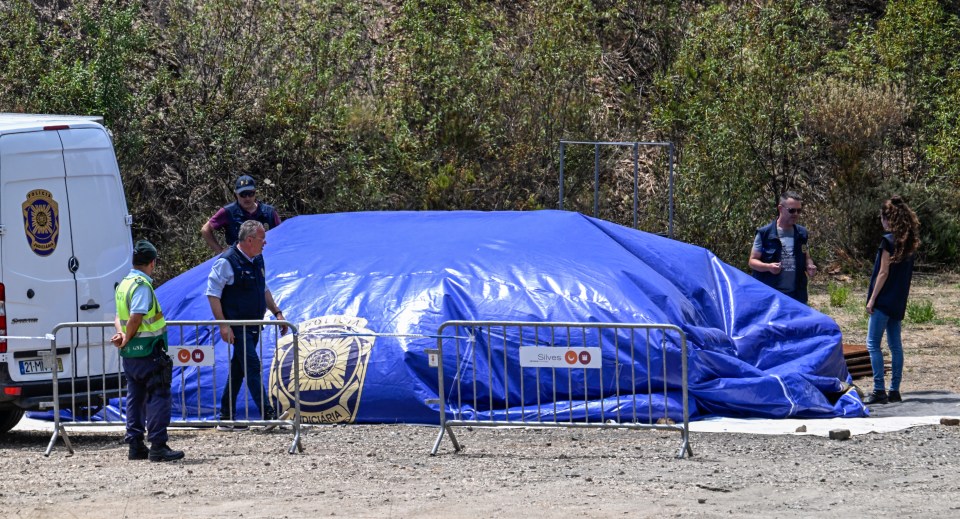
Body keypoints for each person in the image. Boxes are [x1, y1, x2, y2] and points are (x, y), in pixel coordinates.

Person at [206, 220, 287, 429]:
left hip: (253, 325)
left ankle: (226, 417)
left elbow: (263, 288)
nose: (265, 243)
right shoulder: (226, 261)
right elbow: (213, 294)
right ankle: (268, 415)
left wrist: (277, 312)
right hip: (237, 327)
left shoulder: (258, 259)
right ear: (249, 240)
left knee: (238, 370)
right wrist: (223, 325)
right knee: (252, 366)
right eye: (262, 239)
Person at [111, 240, 185, 462]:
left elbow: (118, 317)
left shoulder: (124, 284)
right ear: (152, 262)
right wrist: (129, 335)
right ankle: (158, 446)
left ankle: (135, 445)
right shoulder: (142, 285)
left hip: (131, 354)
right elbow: (136, 316)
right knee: (158, 396)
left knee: (135, 397)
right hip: (149, 351)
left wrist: (123, 337)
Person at [863, 196, 921, 405]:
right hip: (898, 300)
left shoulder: (888, 241)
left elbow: (883, 272)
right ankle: (895, 389)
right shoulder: (909, 243)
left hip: (884, 300)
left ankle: (879, 389)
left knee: (873, 344)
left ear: (887, 219)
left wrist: (872, 299)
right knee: (895, 345)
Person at [749, 191, 817, 303]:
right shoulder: (764, 233)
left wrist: (810, 266)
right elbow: (752, 261)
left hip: (796, 296)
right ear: (780, 208)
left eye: (799, 211)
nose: (796, 214)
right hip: (770, 296)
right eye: (792, 210)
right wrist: (768, 267)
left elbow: (806, 255)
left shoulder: (802, 234)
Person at [201, 174, 281, 255]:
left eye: (250, 193)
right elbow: (205, 229)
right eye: (243, 194)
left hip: (268, 255)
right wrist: (220, 250)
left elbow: (282, 233)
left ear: (255, 192)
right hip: (240, 260)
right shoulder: (228, 212)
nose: (247, 198)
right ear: (236, 194)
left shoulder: (269, 212)